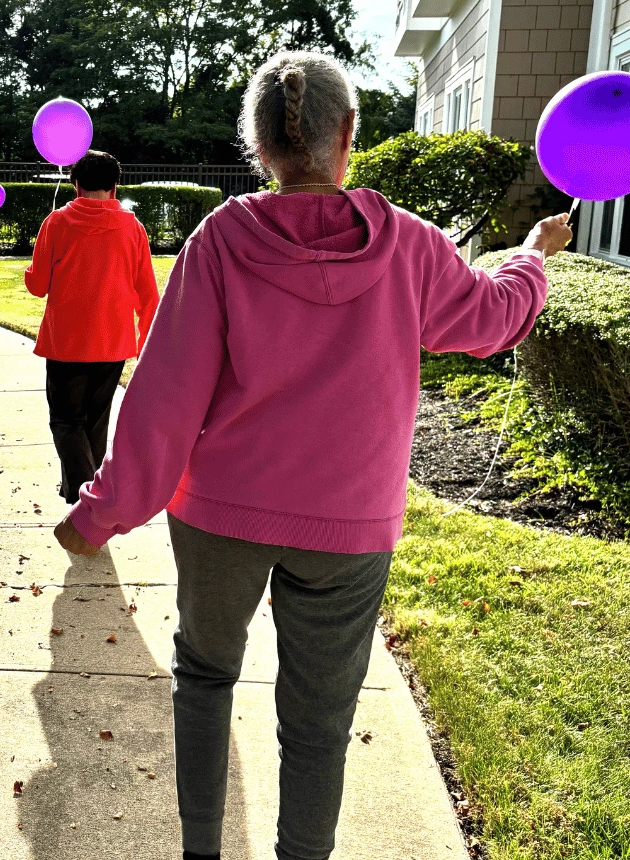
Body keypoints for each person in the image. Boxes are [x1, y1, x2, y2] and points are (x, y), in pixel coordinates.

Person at [53, 52, 573, 860]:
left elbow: (163, 401)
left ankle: (201, 852)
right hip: (350, 522)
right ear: (350, 135)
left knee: (205, 679)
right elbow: (493, 318)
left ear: (258, 147)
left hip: (221, 511)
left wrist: (104, 511)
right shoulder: (410, 244)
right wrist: (533, 254)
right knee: (319, 722)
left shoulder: (221, 239)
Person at [24, 149, 160, 506]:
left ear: (75, 184)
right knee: (95, 425)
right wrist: (146, 341)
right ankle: (86, 490)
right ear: (115, 187)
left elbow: (37, 286)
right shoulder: (133, 227)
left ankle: (87, 496)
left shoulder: (56, 222)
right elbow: (148, 293)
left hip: (66, 342)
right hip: (113, 343)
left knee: (67, 422)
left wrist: (29, 270)